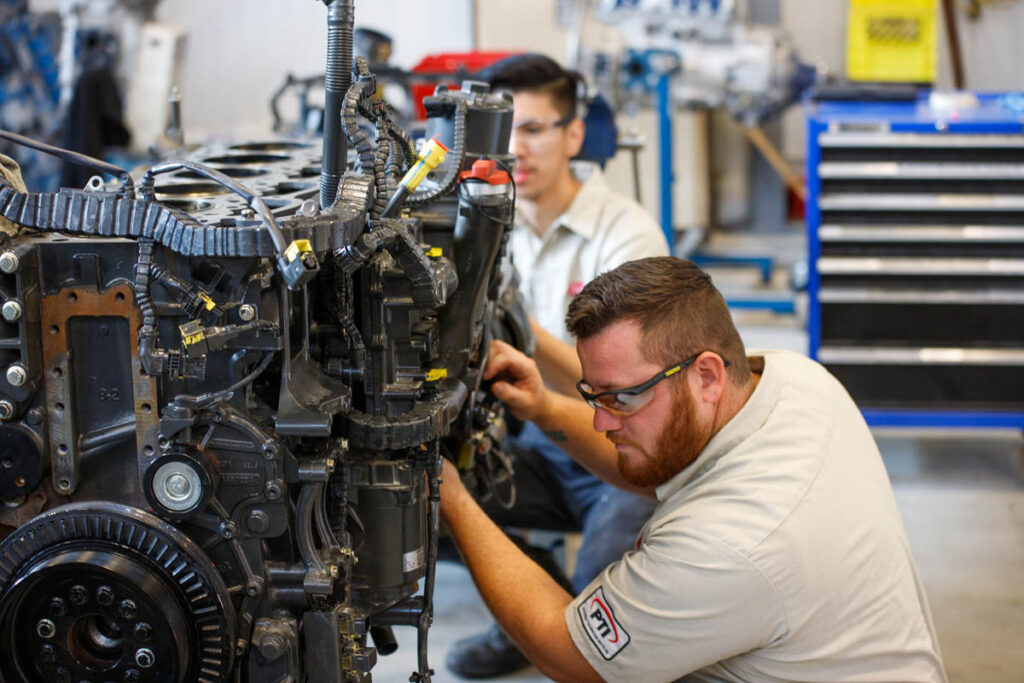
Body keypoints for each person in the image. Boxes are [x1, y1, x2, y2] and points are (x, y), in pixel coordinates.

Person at [440, 257, 947, 682]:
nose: (600, 419)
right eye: (595, 394)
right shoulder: (795, 381)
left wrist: (452, 500)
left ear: (706, 374)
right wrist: (544, 408)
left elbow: (567, 652)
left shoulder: (726, 547)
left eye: (623, 396)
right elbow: (650, 463)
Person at [444, 54, 669, 678]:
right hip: (530, 440)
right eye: (505, 131)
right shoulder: (486, 226)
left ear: (574, 133)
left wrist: (520, 327)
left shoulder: (626, 237)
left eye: (536, 128)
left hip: (615, 454)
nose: (518, 148)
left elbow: (632, 394)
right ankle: (532, 610)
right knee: (415, 496)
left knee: (599, 627)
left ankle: (565, 624)